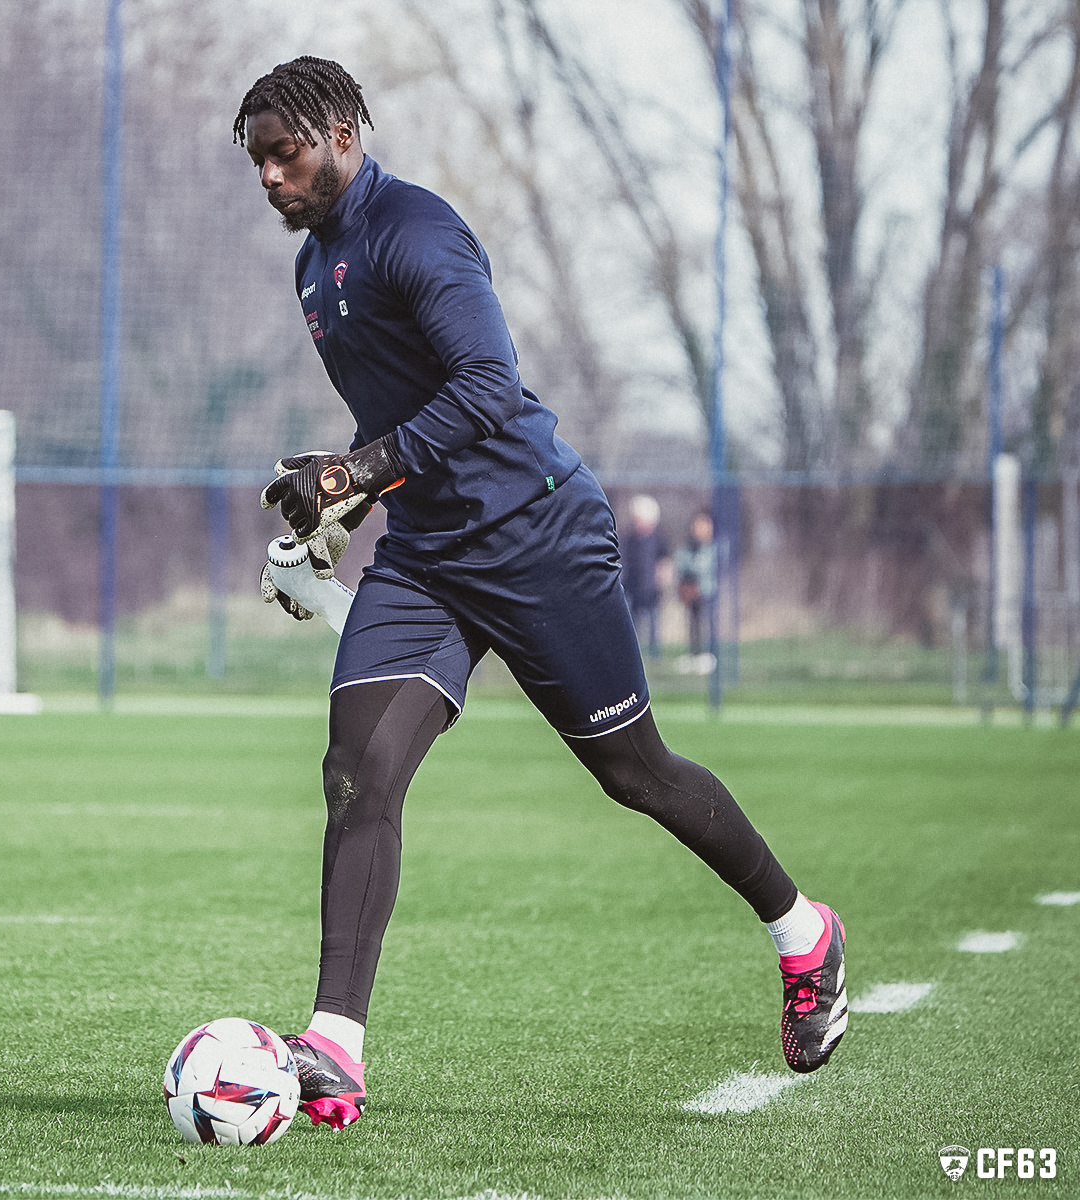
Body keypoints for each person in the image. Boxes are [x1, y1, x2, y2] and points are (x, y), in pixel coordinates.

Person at [233, 57, 846, 1130]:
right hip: (427, 558)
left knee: (636, 774)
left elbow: (487, 388)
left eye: (285, 153)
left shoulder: (417, 231)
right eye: (258, 164)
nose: (273, 178)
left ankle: (803, 933)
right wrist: (336, 507)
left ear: (339, 131)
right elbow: (404, 431)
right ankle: (333, 1046)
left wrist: (356, 471)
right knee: (357, 769)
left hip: (538, 537)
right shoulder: (312, 269)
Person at [620, 494, 670, 655]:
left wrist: (662, 578)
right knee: (633, 621)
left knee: (653, 620)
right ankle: (633, 651)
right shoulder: (629, 537)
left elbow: (664, 560)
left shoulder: (659, 538)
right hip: (633, 584)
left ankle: (654, 652)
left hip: (651, 587)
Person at [673, 509, 718, 674]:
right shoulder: (689, 547)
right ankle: (694, 654)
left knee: (708, 623)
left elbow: (702, 566)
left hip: (707, 591)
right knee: (693, 624)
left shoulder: (713, 547)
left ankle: (709, 655)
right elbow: (683, 563)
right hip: (693, 593)